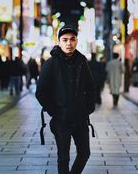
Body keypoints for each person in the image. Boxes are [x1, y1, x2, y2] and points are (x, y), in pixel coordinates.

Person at [36, 25, 95, 174]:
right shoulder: (50, 64)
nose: (69, 43)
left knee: (84, 153)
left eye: (72, 39)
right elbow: (41, 92)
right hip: (61, 120)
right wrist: (55, 111)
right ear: (59, 42)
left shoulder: (82, 61)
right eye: (65, 40)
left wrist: (88, 107)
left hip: (80, 118)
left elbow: (91, 86)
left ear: (76, 41)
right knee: (63, 157)